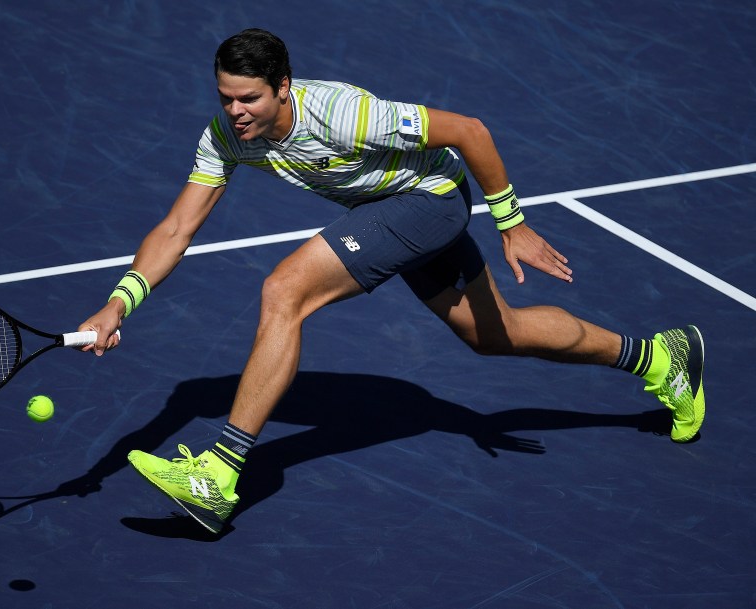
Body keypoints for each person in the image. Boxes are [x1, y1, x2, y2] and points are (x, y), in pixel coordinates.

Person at [78, 29, 705, 534]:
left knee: (283, 291)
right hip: (391, 209)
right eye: (226, 98)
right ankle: (661, 361)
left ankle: (219, 472)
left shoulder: (345, 115)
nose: (236, 112)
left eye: (250, 99)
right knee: (496, 333)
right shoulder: (225, 140)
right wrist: (118, 304)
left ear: (283, 89)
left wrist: (511, 222)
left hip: (430, 199)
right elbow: (175, 229)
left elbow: (470, 131)